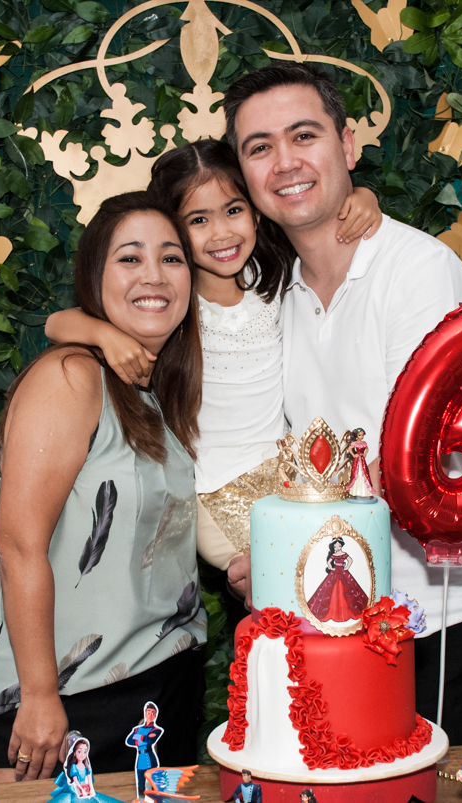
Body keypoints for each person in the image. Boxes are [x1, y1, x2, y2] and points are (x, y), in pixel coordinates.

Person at [221, 62, 462, 745]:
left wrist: (282, 549)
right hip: (327, 627)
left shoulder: (416, 270)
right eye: (260, 147)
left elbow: (417, 459)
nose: (285, 162)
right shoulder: (274, 292)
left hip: (440, 619)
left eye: (304, 135)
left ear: (348, 145)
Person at [46, 140, 380, 578]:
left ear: (256, 211)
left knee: (333, 581)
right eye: (199, 220)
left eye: (233, 210)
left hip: (288, 477)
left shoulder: (273, 274)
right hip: (217, 493)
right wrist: (103, 334)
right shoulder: (173, 304)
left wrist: (364, 197)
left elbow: (327, 218)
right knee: (294, 585)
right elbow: (56, 322)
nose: (221, 233)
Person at [0, 192, 208, 782]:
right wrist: (39, 696)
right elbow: (19, 546)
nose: (154, 275)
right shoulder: (71, 377)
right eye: (130, 258)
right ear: (94, 278)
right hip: (71, 700)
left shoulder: (156, 395)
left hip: (163, 687)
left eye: (171, 258)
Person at [306, 536, 368, 621]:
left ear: (342, 545)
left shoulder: (344, 554)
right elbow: (329, 562)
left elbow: (350, 560)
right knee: (332, 588)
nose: (337, 548)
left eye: (339, 546)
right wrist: (331, 568)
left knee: (348, 588)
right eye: (335, 547)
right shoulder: (334, 555)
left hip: (343, 572)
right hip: (335, 572)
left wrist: (347, 567)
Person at [125, 703, 164, 798]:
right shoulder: (137, 729)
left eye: (153, 713)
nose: (150, 715)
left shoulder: (157, 730)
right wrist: (144, 738)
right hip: (140, 759)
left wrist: (138, 737)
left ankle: (156, 799)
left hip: (150, 758)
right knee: (141, 783)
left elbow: (150, 740)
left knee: (154, 782)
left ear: (155, 715)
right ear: (145, 713)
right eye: (148, 712)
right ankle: (141, 800)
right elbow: (130, 741)